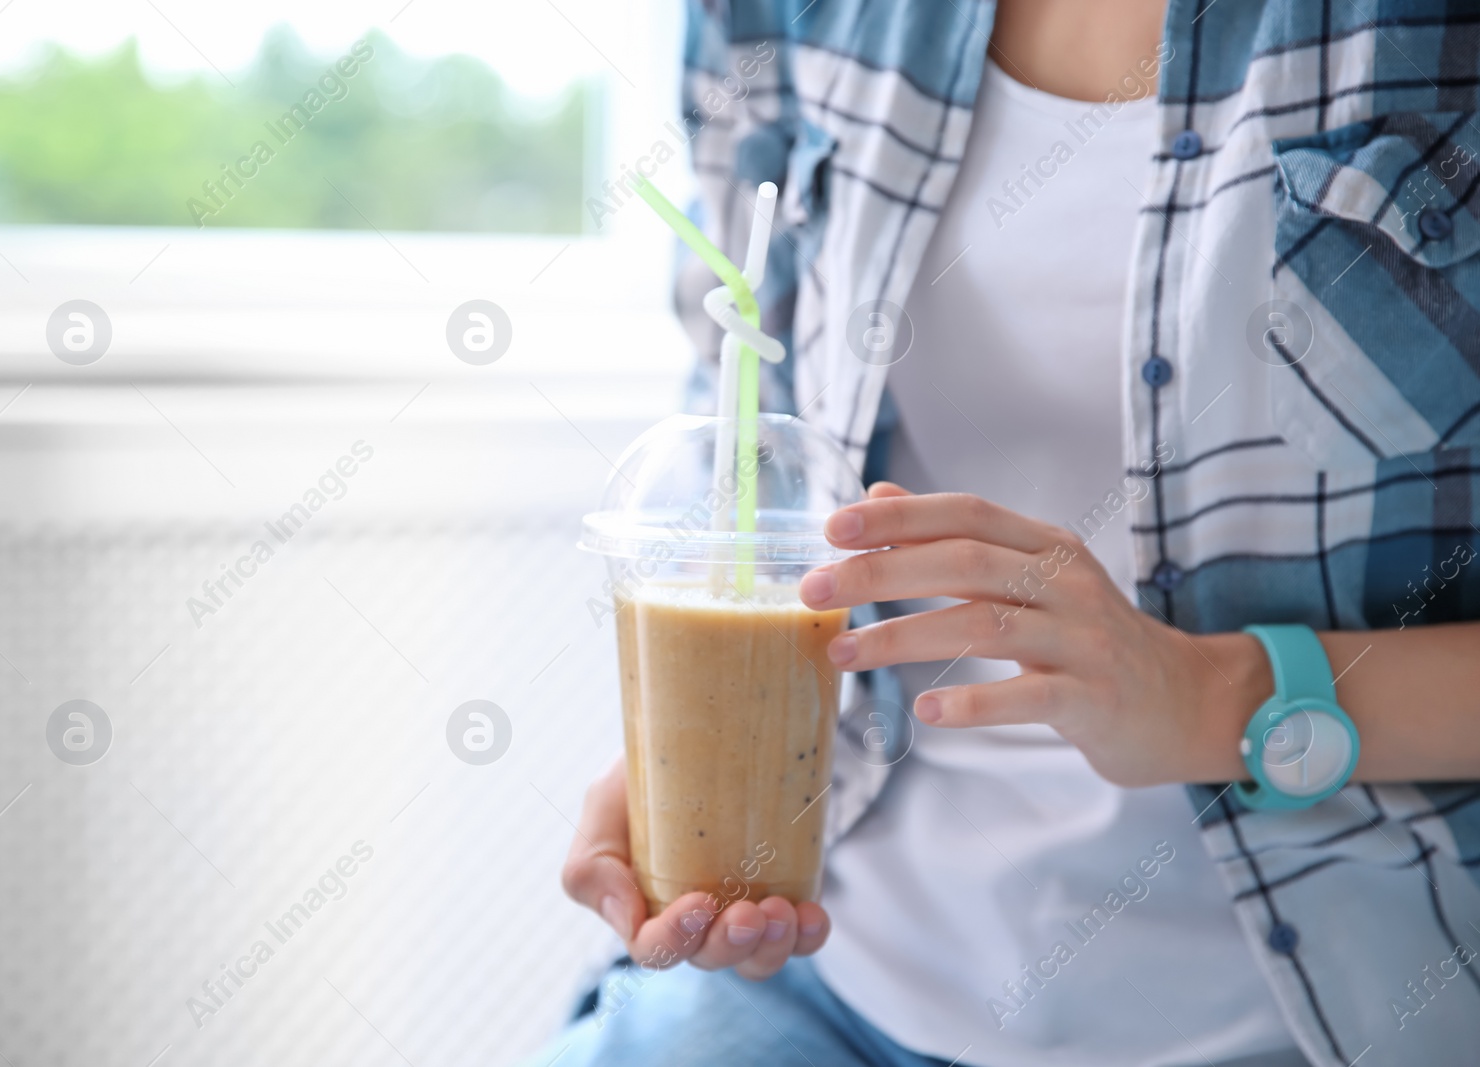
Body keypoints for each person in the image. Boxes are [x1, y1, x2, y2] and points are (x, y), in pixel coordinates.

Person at [531, 0, 1480, 1064]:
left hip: (1320, 1009)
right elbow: (743, 437)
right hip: (821, 970)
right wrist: (696, 770)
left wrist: (1214, 696)